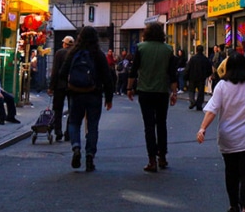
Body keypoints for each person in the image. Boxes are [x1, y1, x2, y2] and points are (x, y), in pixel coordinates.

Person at [196, 54, 245, 212]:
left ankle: (234, 205)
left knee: (231, 172)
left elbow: (212, 110)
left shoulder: (222, 86)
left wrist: (202, 128)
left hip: (228, 136)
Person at [57, 26, 114, 171]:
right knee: (93, 126)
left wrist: (68, 87)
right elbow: (108, 77)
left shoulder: (73, 53)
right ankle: (89, 156)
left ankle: (76, 147)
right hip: (94, 93)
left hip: (76, 94)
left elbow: (62, 73)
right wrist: (109, 97)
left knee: (75, 122)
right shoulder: (98, 54)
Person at [127, 22, 178, 172]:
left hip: (145, 90)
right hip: (162, 91)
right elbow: (172, 74)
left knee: (148, 125)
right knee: (161, 123)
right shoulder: (168, 50)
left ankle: (151, 160)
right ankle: (162, 156)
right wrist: (174, 93)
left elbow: (134, 70)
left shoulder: (141, 48)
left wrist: (130, 88)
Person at [48, 35, 74, 140]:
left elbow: (55, 71)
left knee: (57, 109)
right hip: (72, 85)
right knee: (72, 110)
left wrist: (51, 86)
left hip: (59, 85)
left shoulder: (59, 53)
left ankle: (58, 131)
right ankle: (69, 132)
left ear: (64, 44)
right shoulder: (75, 53)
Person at [0, 54, 21, 124]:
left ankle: (11, 117)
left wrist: (1, 90)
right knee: (0, 99)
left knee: (10, 98)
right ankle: (2, 118)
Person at [185, 45, 213, 111]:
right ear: (203, 50)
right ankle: (199, 105)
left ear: (196, 50)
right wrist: (206, 75)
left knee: (191, 91)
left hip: (192, 77)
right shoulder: (205, 59)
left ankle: (192, 101)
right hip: (201, 78)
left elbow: (188, 68)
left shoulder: (192, 59)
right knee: (201, 92)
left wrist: (186, 76)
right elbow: (209, 69)